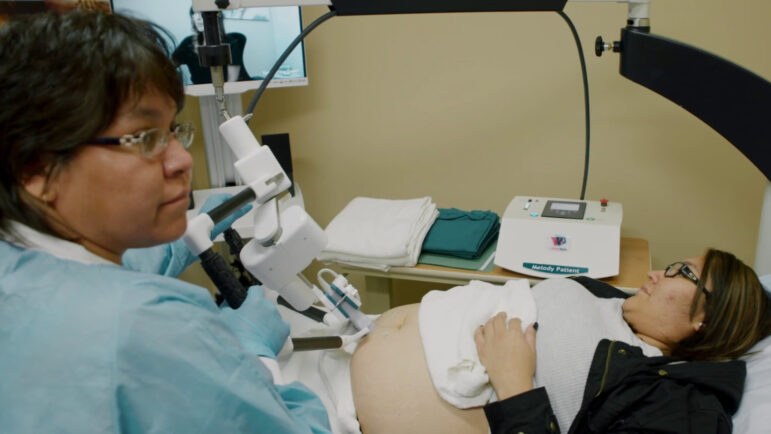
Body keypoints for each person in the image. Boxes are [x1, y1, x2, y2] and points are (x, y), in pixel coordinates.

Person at [0, 11, 330, 433]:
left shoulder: (21, 266)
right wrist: (252, 359)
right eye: (145, 137)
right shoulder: (153, 327)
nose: (181, 160)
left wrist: (182, 237)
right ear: (37, 169)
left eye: (174, 130)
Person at [351, 249, 771, 433]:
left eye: (683, 272)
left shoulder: (676, 406)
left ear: (708, 318)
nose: (656, 273)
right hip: (346, 375)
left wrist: (512, 381)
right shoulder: (612, 301)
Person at [172, 7, 251, 85]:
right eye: (195, 15)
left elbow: (232, 80)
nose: (198, 18)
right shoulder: (188, 43)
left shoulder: (231, 43)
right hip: (200, 92)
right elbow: (169, 67)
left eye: (202, 14)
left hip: (226, 92)